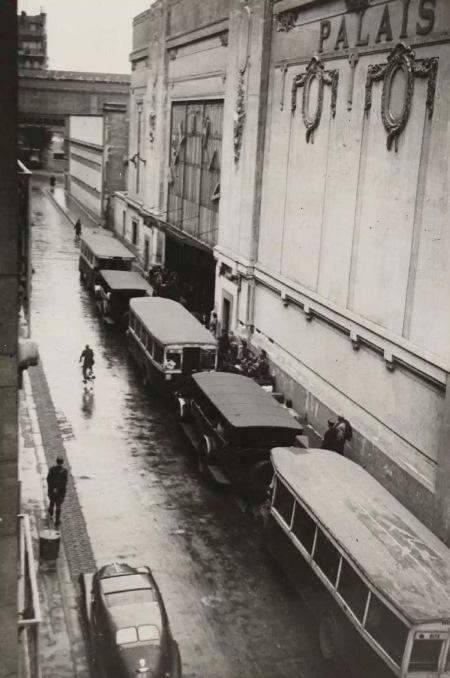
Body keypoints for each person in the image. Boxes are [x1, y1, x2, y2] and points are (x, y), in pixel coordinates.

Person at [47, 457, 68, 527]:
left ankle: (51, 511)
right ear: (62, 463)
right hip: (60, 492)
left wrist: (52, 488)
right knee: (58, 505)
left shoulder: (52, 469)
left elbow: (48, 479)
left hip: (52, 490)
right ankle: (57, 520)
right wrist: (62, 491)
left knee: (52, 500)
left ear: (56, 462)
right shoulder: (64, 471)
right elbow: (64, 483)